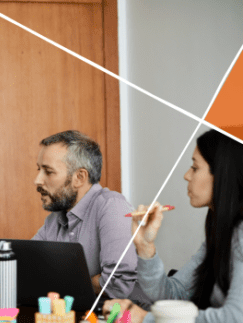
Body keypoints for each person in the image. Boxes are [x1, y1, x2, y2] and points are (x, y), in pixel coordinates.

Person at [0, 130, 138, 299]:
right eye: (39, 169)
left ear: (80, 177)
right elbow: (16, 270)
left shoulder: (113, 207)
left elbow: (118, 284)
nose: (37, 180)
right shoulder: (55, 219)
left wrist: (58, 282)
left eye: (49, 171)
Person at [103, 130, 243, 322]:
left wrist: (146, 318)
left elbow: (235, 317)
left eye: (195, 167)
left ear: (222, 173)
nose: (187, 175)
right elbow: (173, 295)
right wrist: (145, 247)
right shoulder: (220, 231)